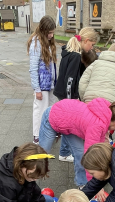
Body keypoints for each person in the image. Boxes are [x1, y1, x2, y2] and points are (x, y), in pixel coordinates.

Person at [38, 98, 115, 189]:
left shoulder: (105, 113)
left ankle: (79, 179)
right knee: (42, 154)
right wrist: (93, 183)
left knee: (79, 153)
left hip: (68, 120)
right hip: (53, 116)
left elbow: (99, 145)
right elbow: (89, 156)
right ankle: (27, 172)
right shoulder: (97, 126)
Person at [27, 16, 73, 165]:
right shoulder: (36, 43)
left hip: (51, 83)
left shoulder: (47, 41)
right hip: (42, 85)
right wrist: (37, 89)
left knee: (51, 110)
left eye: (53, 32)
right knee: (40, 110)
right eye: (50, 32)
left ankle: (49, 133)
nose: (52, 35)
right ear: (44, 30)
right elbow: (33, 69)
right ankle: (37, 137)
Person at [53, 27, 98, 100]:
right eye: (92, 44)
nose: (92, 48)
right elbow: (70, 80)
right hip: (67, 97)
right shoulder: (76, 56)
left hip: (62, 93)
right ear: (86, 40)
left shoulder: (69, 52)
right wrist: (69, 101)